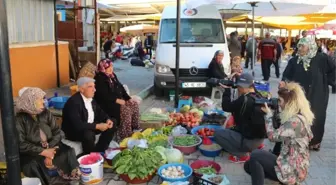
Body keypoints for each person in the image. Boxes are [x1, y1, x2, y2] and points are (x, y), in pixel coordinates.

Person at [244, 82, 314, 185]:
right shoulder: (301, 115)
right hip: (295, 165)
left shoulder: (295, 122)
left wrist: (268, 116)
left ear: (289, 102)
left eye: (280, 100)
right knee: (249, 164)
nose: (279, 103)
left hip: (292, 171)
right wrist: (274, 113)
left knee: (255, 156)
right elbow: (282, 131)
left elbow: (272, 136)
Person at [16, 88, 80, 185]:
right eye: (40, 99)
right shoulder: (19, 119)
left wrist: (50, 150)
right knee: (34, 165)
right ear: (31, 101)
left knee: (68, 151)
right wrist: (43, 152)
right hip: (31, 153)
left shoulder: (45, 113)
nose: (43, 101)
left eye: (43, 98)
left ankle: (71, 178)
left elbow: (57, 132)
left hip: (51, 146)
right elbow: (21, 144)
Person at [281, 37, 336, 151]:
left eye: (302, 46)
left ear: (310, 47)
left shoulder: (322, 58)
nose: (299, 48)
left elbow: (333, 70)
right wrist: (284, 82)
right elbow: (287, 74)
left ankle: (315, 142)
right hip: (299, 95)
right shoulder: (295, 60)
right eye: (299, 46)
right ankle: (298, 139)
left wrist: (327, 81)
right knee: (299, 115)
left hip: (318, 93)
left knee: (317, 117)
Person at [214, 73, 266, 163]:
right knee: (234, 128)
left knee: (218, 134)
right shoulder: (258, 96)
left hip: (248, 141)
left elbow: (226, 107)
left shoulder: (244, 99)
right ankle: (256, 146)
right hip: (259, 139)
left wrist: (226, 91)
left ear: (247, 86)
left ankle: (241, 155)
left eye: (240, 86)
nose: (239, 88)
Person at [62, 77, 116, 155]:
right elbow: (78, 125)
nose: (94, 90)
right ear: (81, 89)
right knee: (88, 134)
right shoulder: (73, 103)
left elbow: (100, 112)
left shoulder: (91, 99)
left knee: (113, 122)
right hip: (75, 131)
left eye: (94, 86)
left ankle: (100, 149)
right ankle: (90, 155)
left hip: (91, 126)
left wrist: (107, 119)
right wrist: (97, 126)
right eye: (90, 87)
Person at [94, 59, 140, 141]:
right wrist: (117, 100)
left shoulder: (112, 76)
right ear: (103, 68)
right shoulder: (99, 79)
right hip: (107, 104)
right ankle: (125, 136)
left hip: (117, 101)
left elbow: (120, 87)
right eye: (108, 67)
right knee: (126, 111)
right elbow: (103, 95)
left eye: (111, 66)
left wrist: (128, 98)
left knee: (134, 104)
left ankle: (135, 128)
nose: (111, 69)